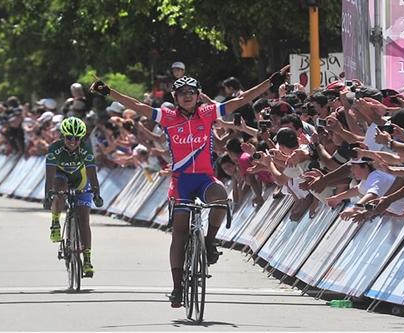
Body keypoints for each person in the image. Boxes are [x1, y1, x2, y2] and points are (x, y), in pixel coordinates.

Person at [90, 64, 289, 307]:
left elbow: (243, 99)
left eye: (191, 92)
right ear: (175, 97)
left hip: (204, 178)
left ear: (198, 95)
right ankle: (176, 287)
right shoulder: (168, 117)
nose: (187, 95)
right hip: (181, 182)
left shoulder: (208, 113)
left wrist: (271, 82)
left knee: (220, 198)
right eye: (182, 92)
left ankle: (209, 241)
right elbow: (138, 106)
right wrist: (109, 92)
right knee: (180, 233)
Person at [43, 117, 104, 277]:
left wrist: (97, 193)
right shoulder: (54, 149)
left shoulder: (85, 150)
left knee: (84, 219)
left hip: (81, 181)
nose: (73, 141)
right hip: (60, 177)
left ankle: (88, 260)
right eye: (69, 137)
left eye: (77, 138)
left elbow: (92, 174)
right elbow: (49, 175)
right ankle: (55, 222)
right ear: (63, 136)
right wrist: (47, 195)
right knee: (59, 189)